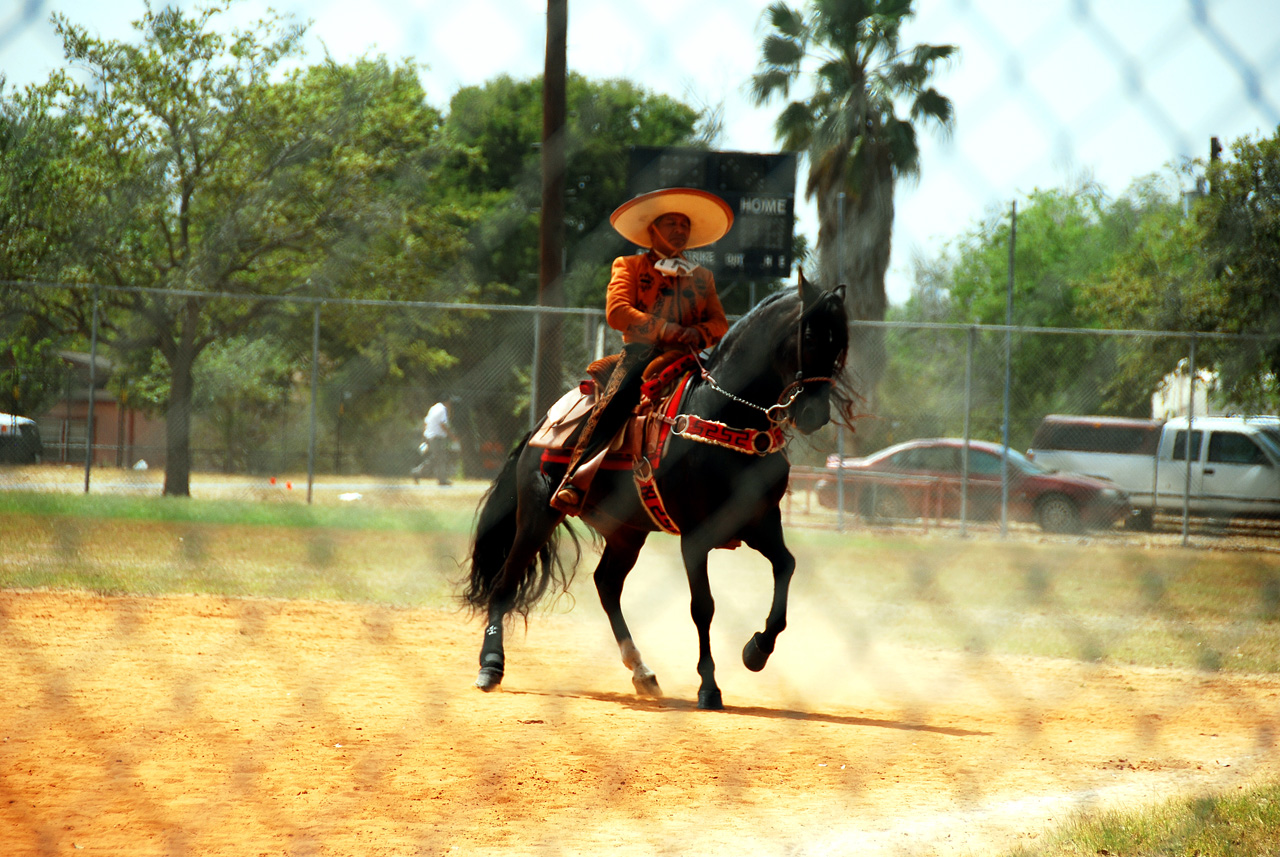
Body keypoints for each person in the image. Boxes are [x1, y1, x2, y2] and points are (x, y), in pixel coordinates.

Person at [552, 187, 733, 514]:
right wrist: (664, 329)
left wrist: (698, 332)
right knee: (617, 398)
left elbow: (720, 322)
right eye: (671, 223)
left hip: (690, 359)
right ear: (652, 230)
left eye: (684, 224)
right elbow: (617, 311)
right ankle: (574, 478)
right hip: (640, 356)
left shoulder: (702, 277)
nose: (680, 230)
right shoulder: (630, 265)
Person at [418, 397, 458, 486]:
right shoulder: (443, 410)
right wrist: (452, 436)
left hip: (430, 436)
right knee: (440, 458)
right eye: (450, 403)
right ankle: (442, 480)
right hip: (437, 437)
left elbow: (426, 422)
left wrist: (424, 436)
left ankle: (417, 472)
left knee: (436, 457)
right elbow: (443, 424)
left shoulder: (434, 407)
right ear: (447, 402)